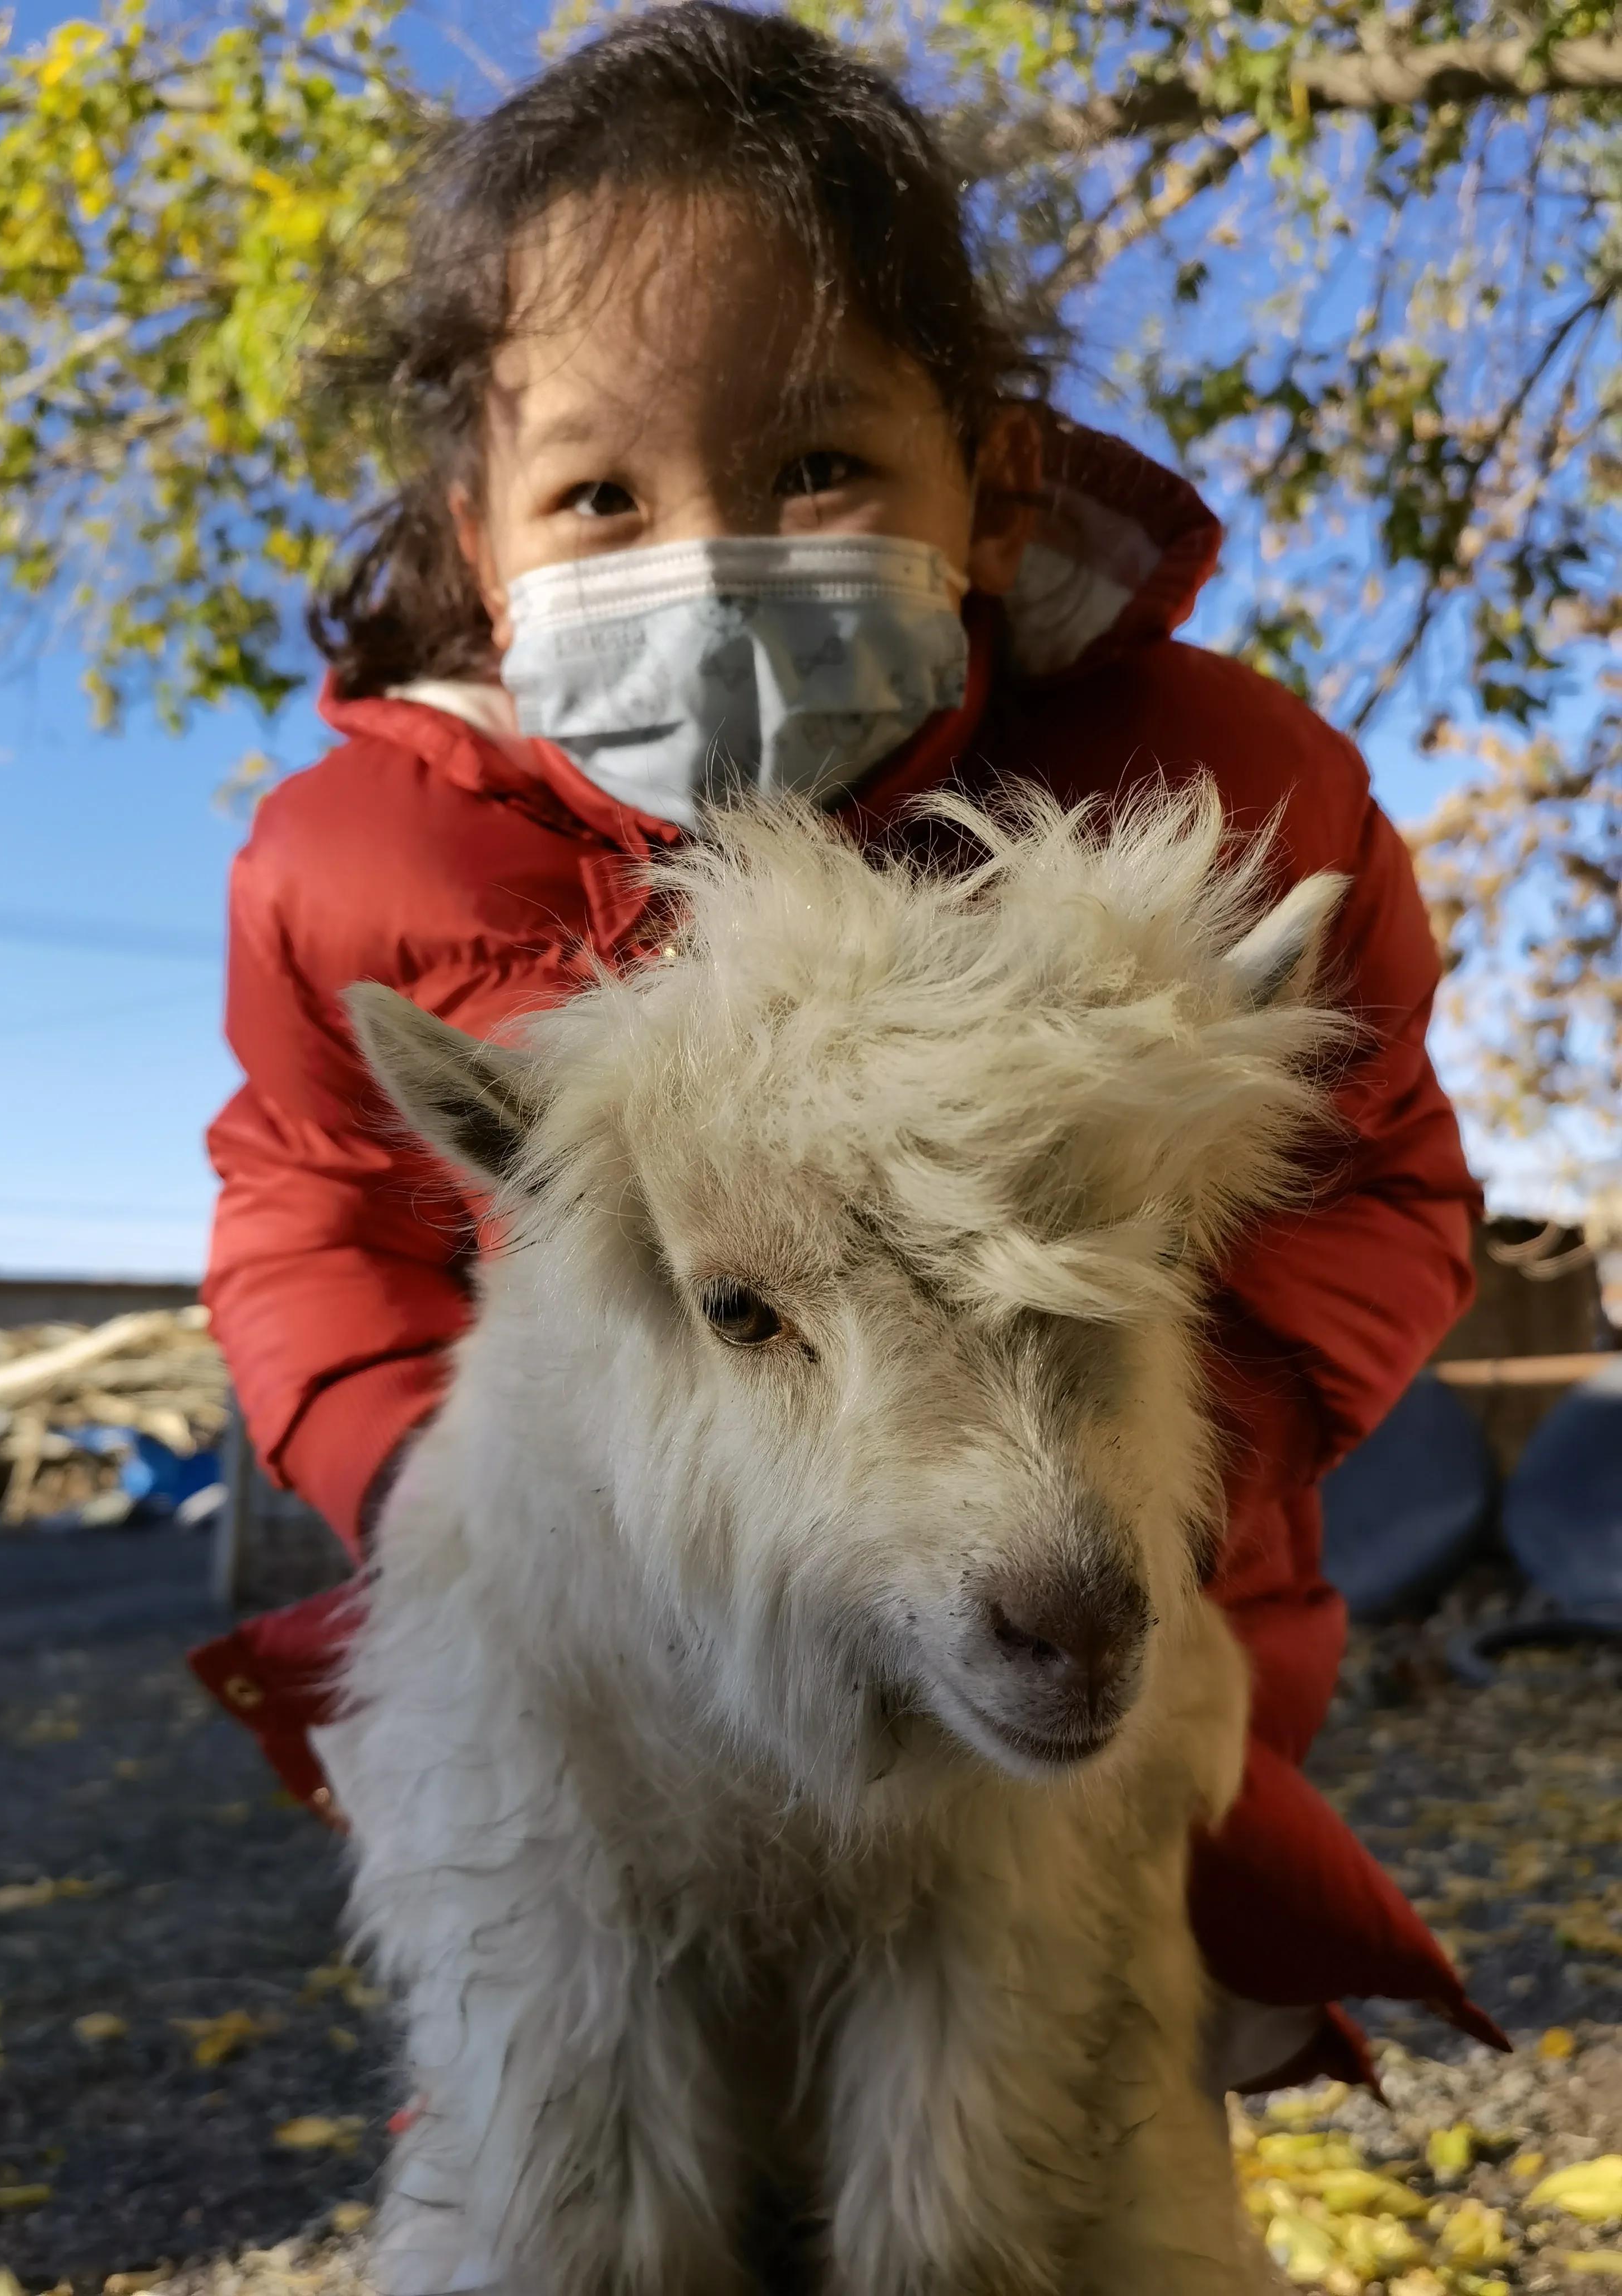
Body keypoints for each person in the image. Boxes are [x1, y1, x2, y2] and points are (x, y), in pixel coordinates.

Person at [189, 0, 1503, 2091]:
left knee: (1061, 2144)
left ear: (988, 490)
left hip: (1086, 1670)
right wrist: (410, 1463)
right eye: (602, 494)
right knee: (609, 2151)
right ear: (481, 549)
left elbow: (1375, 1174)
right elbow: (312, 1202)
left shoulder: (1209, 795)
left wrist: (1185, 1458)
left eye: (816, 462)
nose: (708, 565)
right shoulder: (368, 865)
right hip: (601, 1704)